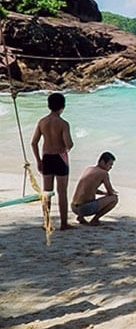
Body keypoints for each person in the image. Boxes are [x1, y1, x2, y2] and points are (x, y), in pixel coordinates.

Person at [31, 92, 74, 230]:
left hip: (47, 158)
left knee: (47, 192)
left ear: (49, 105)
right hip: (60, 158)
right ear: (63, 106)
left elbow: (34, 143)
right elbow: (69, 144)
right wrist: (66, 146)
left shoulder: (42, 122)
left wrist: (38, 160)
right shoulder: (63, 124)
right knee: (62, 192)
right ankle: (63, 223)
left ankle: (47, 223)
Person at [71, 152, 118, 226]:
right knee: (114, 199)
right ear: (102, 162)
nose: (110, 167)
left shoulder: (89, 169)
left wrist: (103, 193)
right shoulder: (104, 173)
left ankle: (80, 217)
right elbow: (110, 191)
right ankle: (95, 219)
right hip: (85, 208)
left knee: (86, 196)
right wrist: (111, 193)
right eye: (110, 164)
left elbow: (89, 189)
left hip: (74, 207)